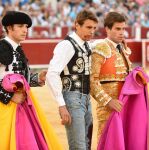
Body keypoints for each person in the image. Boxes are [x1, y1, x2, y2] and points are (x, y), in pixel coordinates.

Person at [0, 10, 63, 150]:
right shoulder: (2, 48)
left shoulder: (17, 48)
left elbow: (21, 78)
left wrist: (37, 78)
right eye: (21, 26)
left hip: (22, 105)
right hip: (5, 106)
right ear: (9, 28)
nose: (25, 30)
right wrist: (9, 95)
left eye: (26, 27)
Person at [46, 10, 98, 150]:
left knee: (86, 144)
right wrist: (61, 105)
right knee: (78, 146)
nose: (92, 31)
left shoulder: (85, 44)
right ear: (77, 25)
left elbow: (96, 44)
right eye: (88, 27)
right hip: (72, 99)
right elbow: (52, 74)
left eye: (94, 28)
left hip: (86, 98)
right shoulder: (66, 45)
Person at [90, 11, 132, 141]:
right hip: (108, 106)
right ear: (107, 29)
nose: (121, 32)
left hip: (125, 104)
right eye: (117, 29)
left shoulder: (122, 49)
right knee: (107, 140)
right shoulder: (101, 47)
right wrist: (108, 101)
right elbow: (92, 80)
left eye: (123, 29)